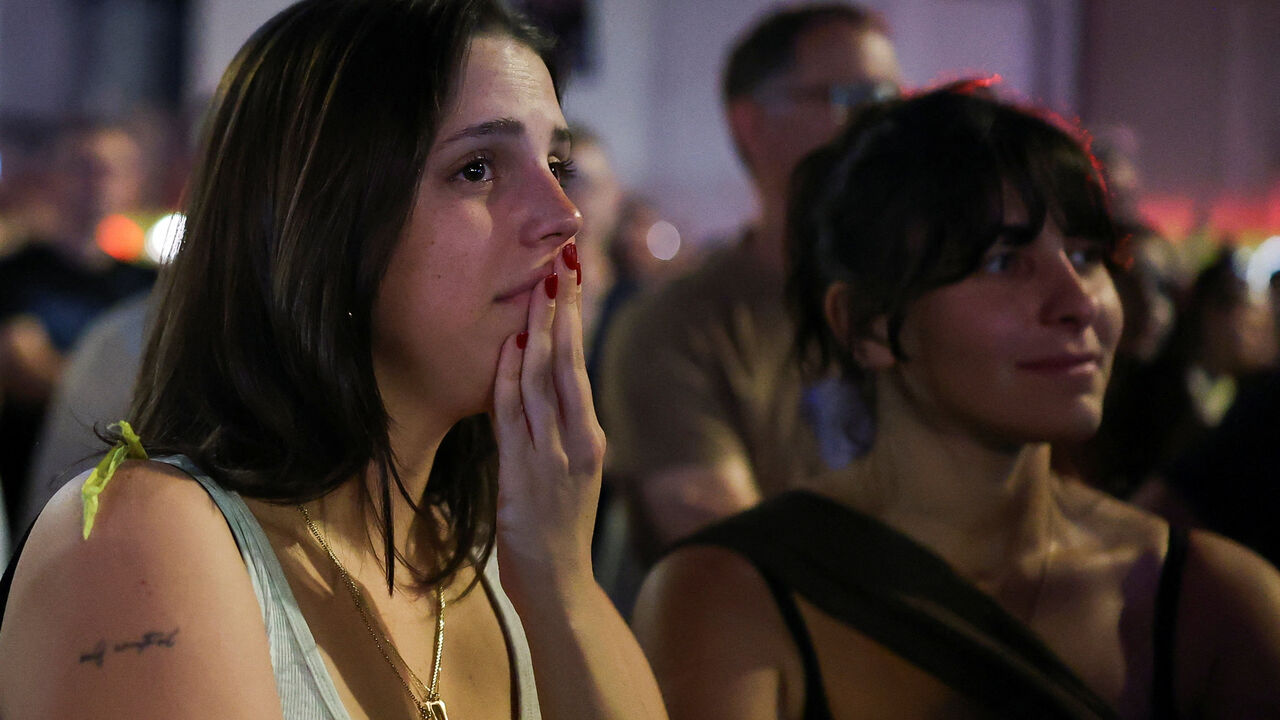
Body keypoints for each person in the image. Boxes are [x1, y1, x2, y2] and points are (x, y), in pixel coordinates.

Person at [0, 1, 668, 719]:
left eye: (556, 162)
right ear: (319, 220)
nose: (565, 213)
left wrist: (562, 577)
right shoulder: (148, 538)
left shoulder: (497, 560)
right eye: (477, 168)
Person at [632, 86, 1280, 719]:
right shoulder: (732, 595)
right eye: (1003, 261)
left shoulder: (1210, 602)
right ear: (867, 325)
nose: (1078, 301)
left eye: (1085, 256)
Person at [599, 3, 901, 562]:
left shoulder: (930, 304)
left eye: (892, 103)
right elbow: (736, 562)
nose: (881, 129)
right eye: (853, 101)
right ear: (752, 123)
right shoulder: (676, 327)